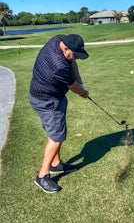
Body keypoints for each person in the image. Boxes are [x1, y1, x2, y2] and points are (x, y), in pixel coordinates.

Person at [29, 34, 89, 193]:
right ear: (66, 48)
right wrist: (83, 92)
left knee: (55, 132)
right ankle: (42, 176)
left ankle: (56, 165)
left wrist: (81, 83)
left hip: (45, 96)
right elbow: (73, 86)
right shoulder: (59, 65)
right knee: (57, 137)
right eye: (74, 54)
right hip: (48, 101)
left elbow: (73, 63)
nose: (75, 58)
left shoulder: (59, 39)